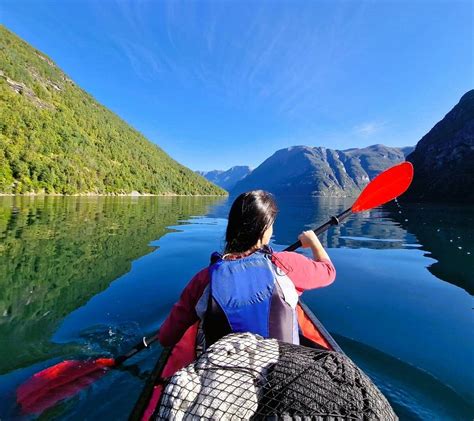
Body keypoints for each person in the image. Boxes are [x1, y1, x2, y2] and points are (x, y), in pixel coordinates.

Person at [158, 190, 336, 348]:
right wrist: (314, 242)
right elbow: (329, 272)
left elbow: (166, 339)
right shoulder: (286, 264)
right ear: (265, 229)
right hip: (282, 371)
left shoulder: (203, 280)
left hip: (225, 379)